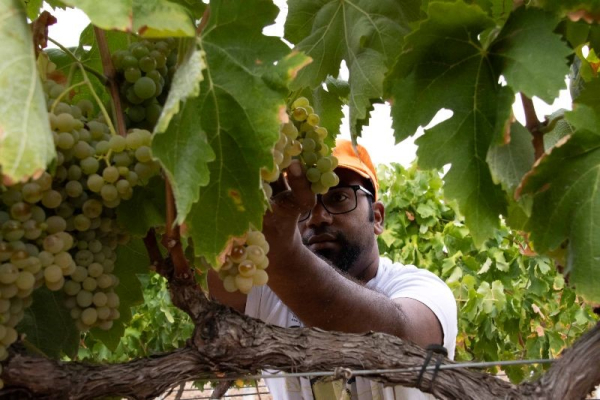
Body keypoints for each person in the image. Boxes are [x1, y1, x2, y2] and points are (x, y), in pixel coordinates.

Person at [208, 139, 457, 399]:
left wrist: (283, 253)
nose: (317, 217)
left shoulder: (423, 289)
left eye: (338, 198)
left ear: (378, 217)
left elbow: (402, 336)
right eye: (303, 208)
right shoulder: (269, 293)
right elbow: (213, 277)